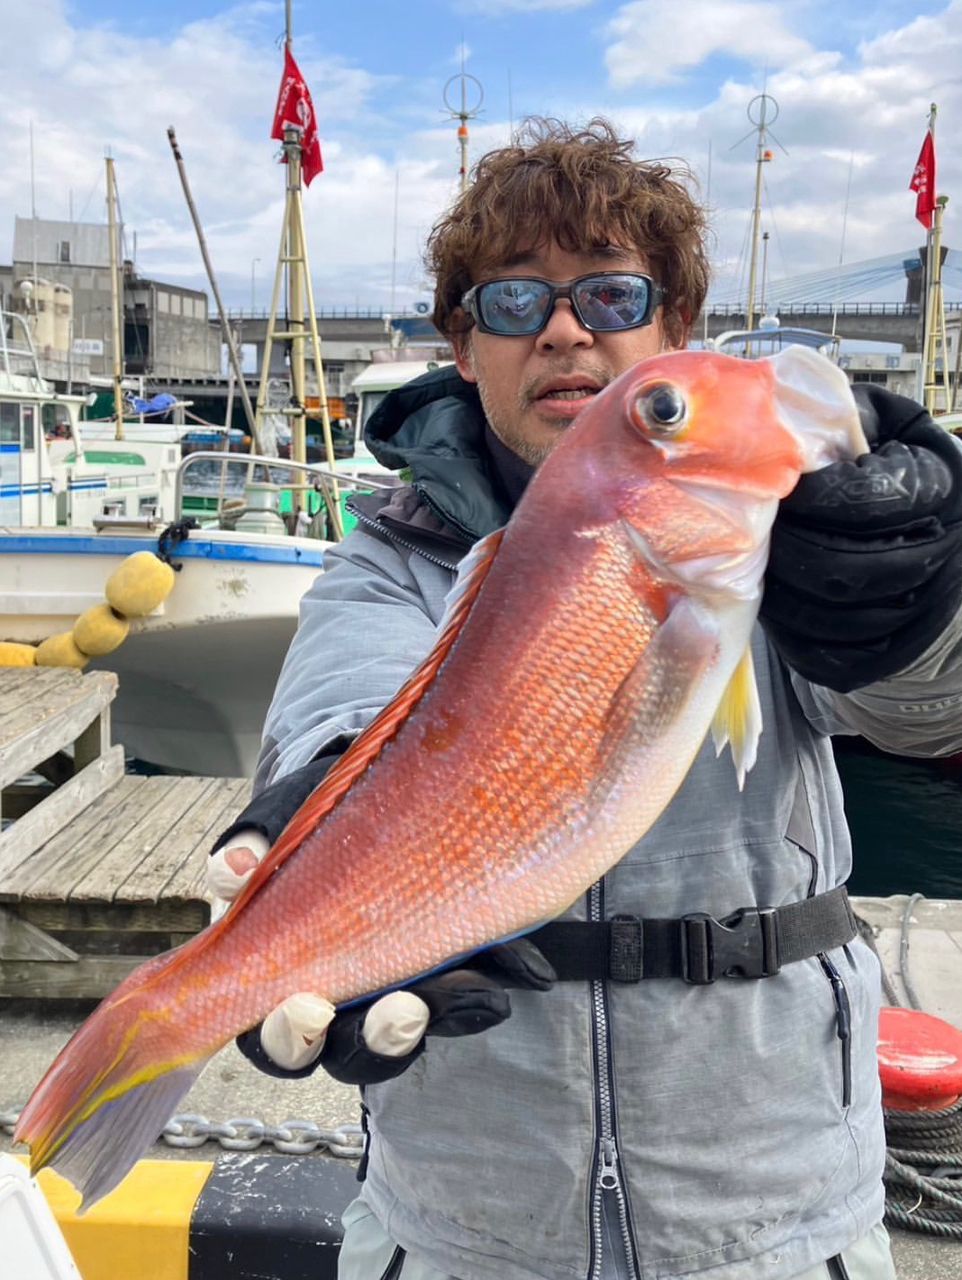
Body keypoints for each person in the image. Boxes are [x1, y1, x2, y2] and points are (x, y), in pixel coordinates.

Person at [207, 119, 962, 1280]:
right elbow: (341, 708)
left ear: (674, 330)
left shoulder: (769, 527)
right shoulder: (386, 559)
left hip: (777, 1218)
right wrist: (323, 839)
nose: (562, 329)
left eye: (610, 294)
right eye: (511, 302)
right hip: (461, 1229)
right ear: (461, 346)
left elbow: (928, 718)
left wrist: (912, 597)